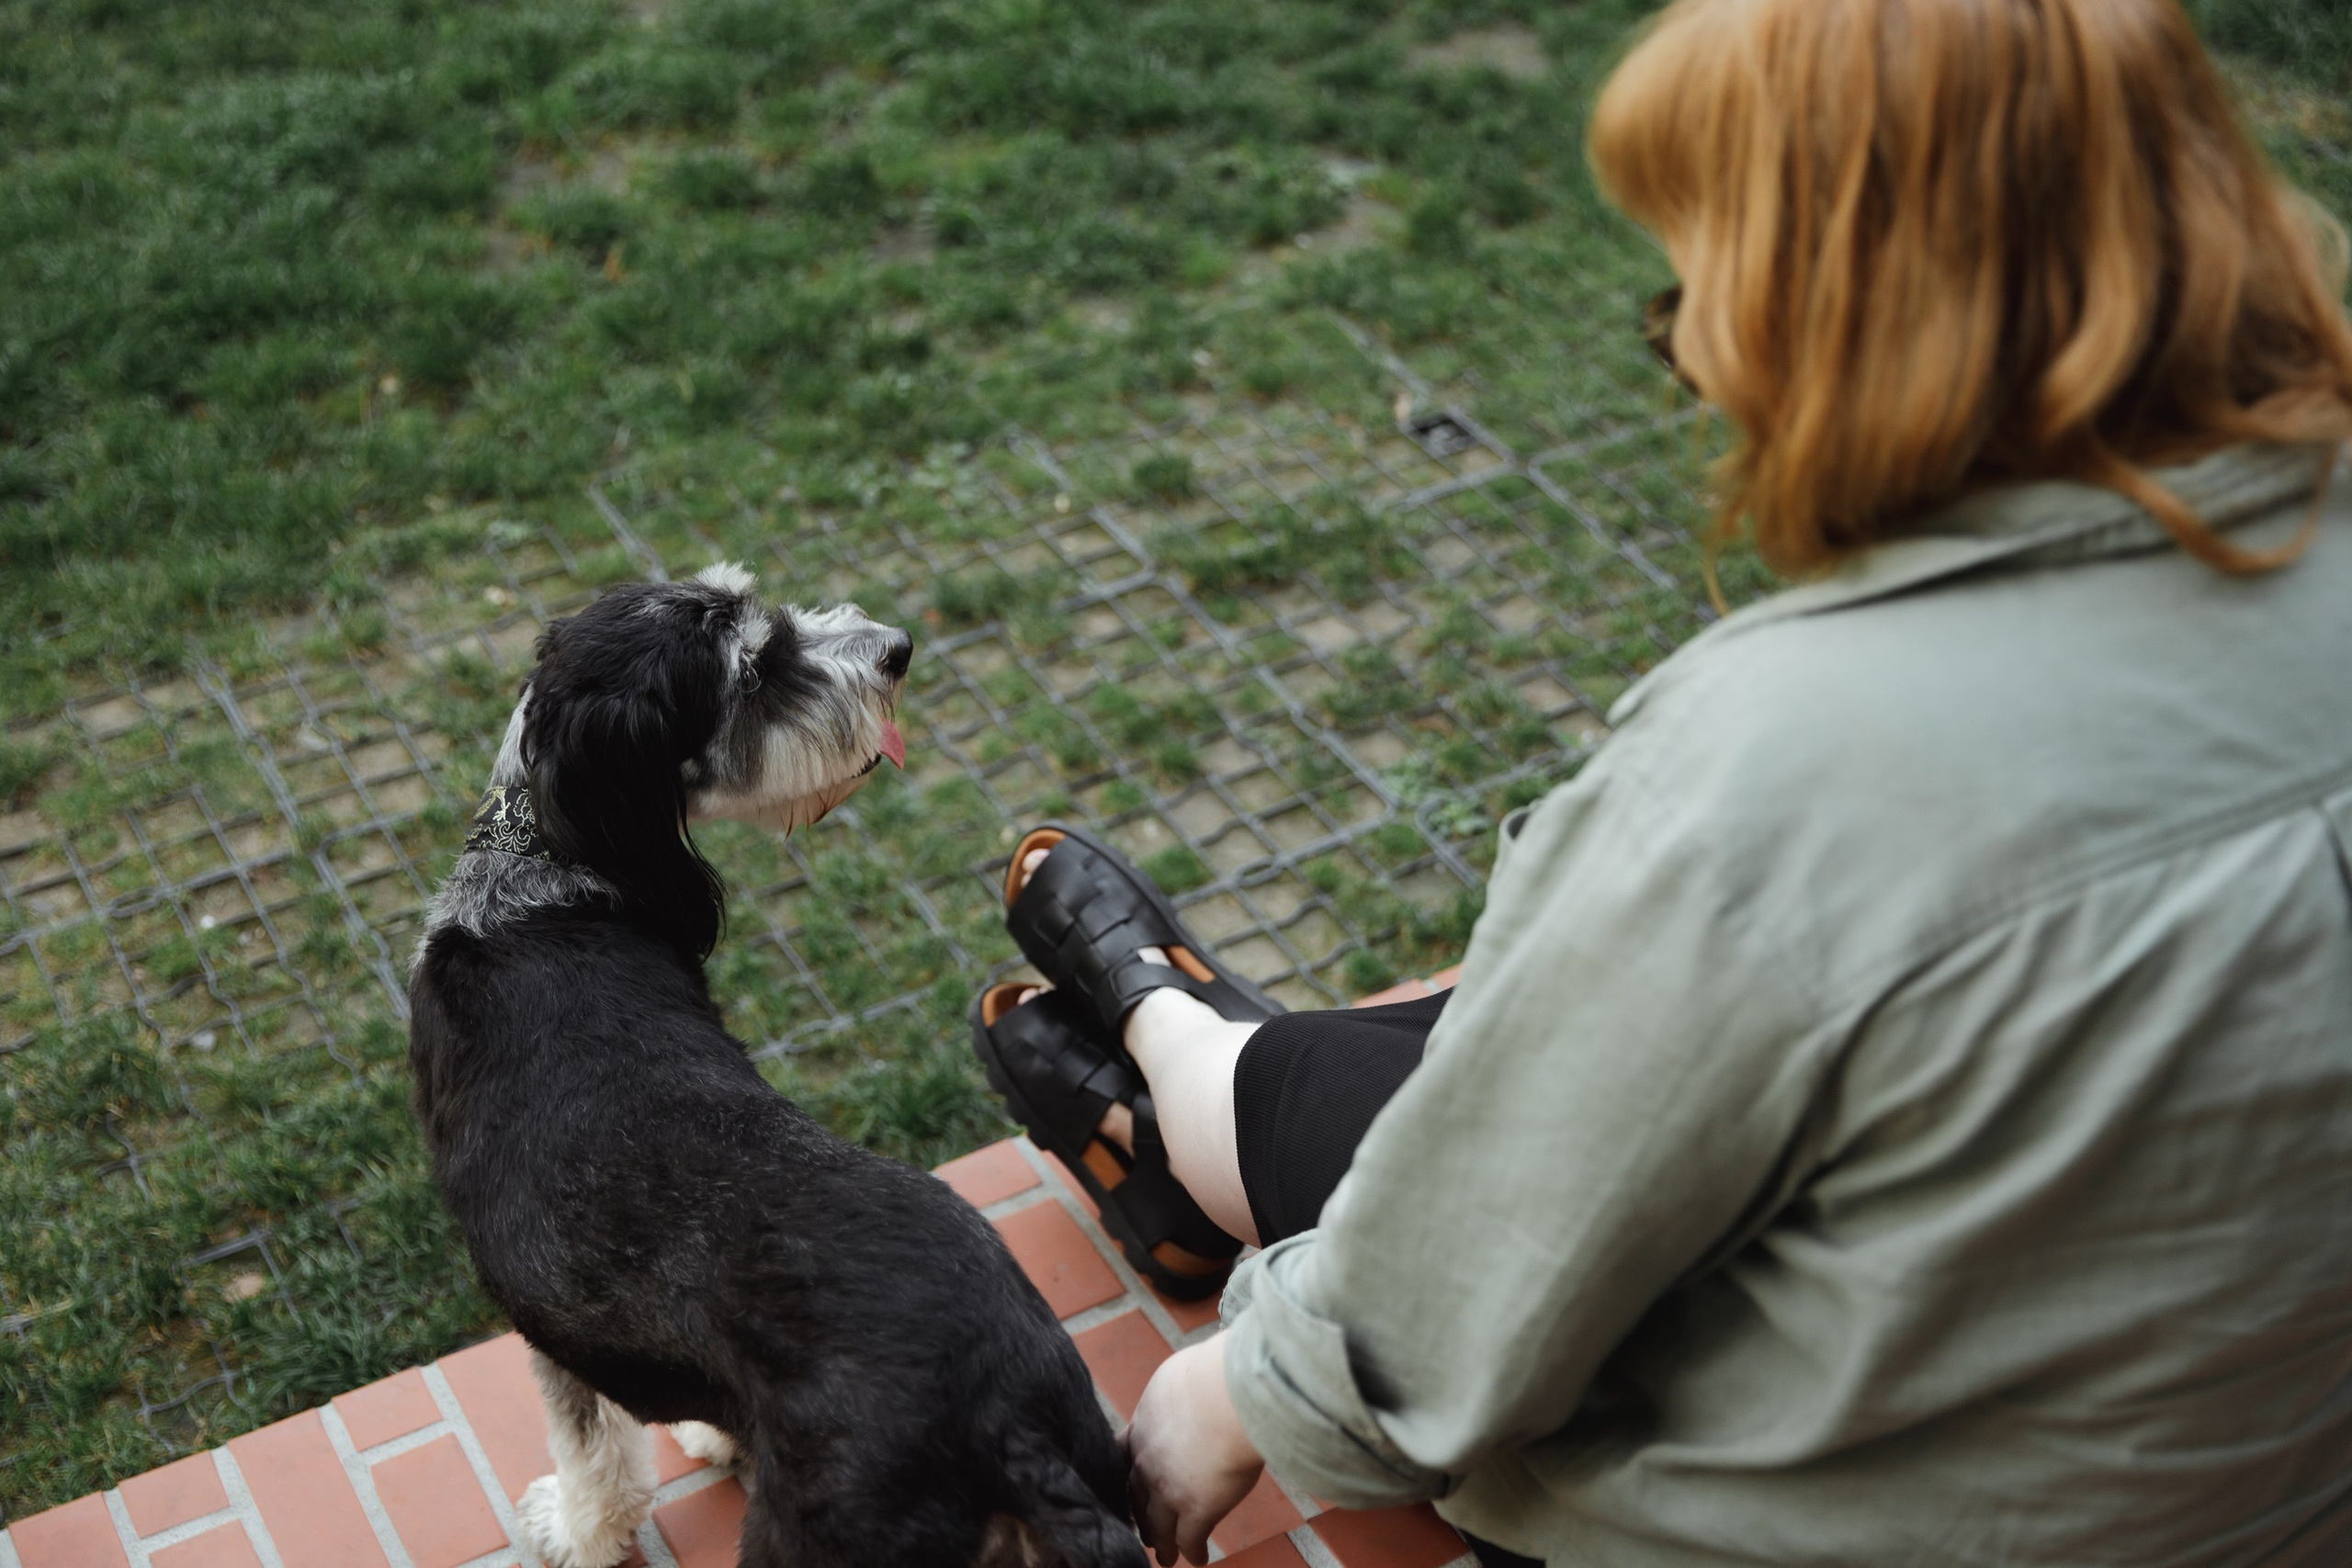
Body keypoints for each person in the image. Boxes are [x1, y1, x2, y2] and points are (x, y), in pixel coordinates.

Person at [967, 0, 2352, 1562]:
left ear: (1836, 328)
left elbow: (1448, 1295)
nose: (1691, 348)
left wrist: (1225, 1400)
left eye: (1691, 295)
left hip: (1863, 1513)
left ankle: (1182, 1052)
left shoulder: (1786, 771)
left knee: (1374, 1096)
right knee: (1511, 1042)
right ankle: (1183, 1087)